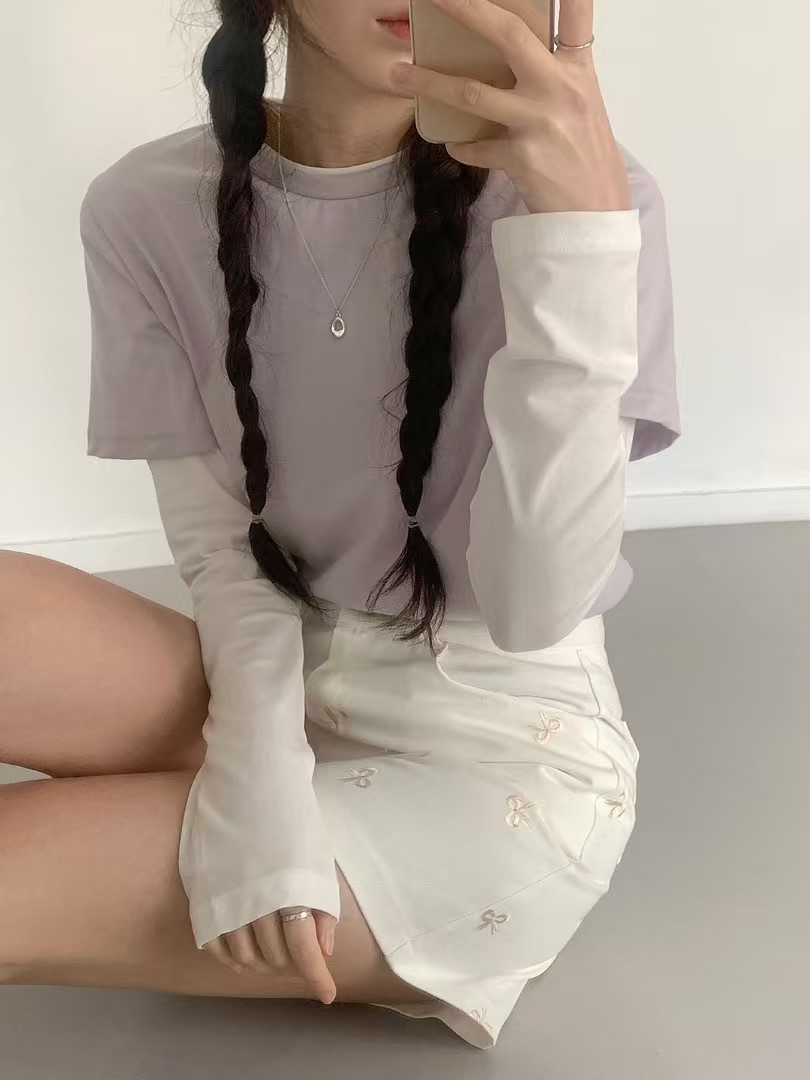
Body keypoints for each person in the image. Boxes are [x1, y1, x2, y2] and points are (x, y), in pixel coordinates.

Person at [0, 0, 680, 1051]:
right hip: (272, 676)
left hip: (497, 760)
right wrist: (260, 783)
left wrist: (579, 240)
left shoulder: (588, 196)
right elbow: (226, 554)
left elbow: (536, 607)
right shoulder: (145, 203)